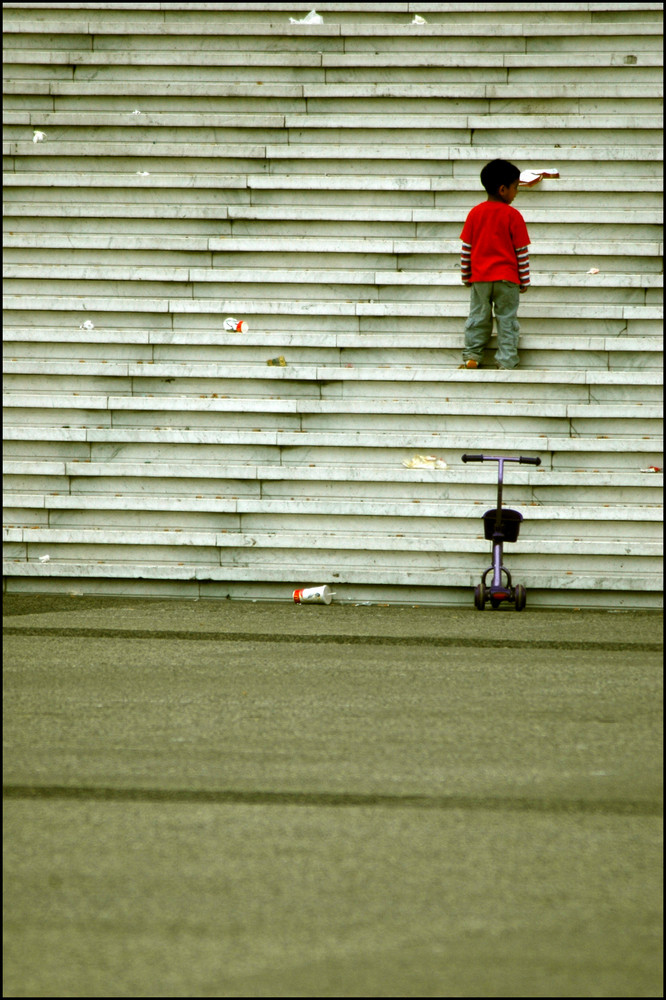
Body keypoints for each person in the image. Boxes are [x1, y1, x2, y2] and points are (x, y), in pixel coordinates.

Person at [458, 159, 530, 370]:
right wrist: (524, 280)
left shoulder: (474, 213)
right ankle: (506, 360)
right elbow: (521, 253)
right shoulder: (513, 216)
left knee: (478, 316)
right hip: (507, 279)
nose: (516, 192)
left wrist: (465, 275)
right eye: (515, 187)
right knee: (507, 320)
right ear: (502, 189)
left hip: (480, 277)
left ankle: (472, 355)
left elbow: (467, 250)